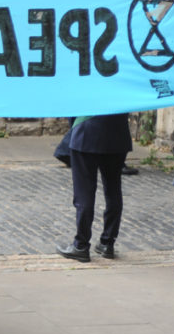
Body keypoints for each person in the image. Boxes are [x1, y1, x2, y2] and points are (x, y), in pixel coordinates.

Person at [55, 112, 132, 263]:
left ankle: (81, 245)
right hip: (118, 133)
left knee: (84, 193)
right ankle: (107, 242)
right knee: (113, 190)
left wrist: (75, 127)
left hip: (86, 132)